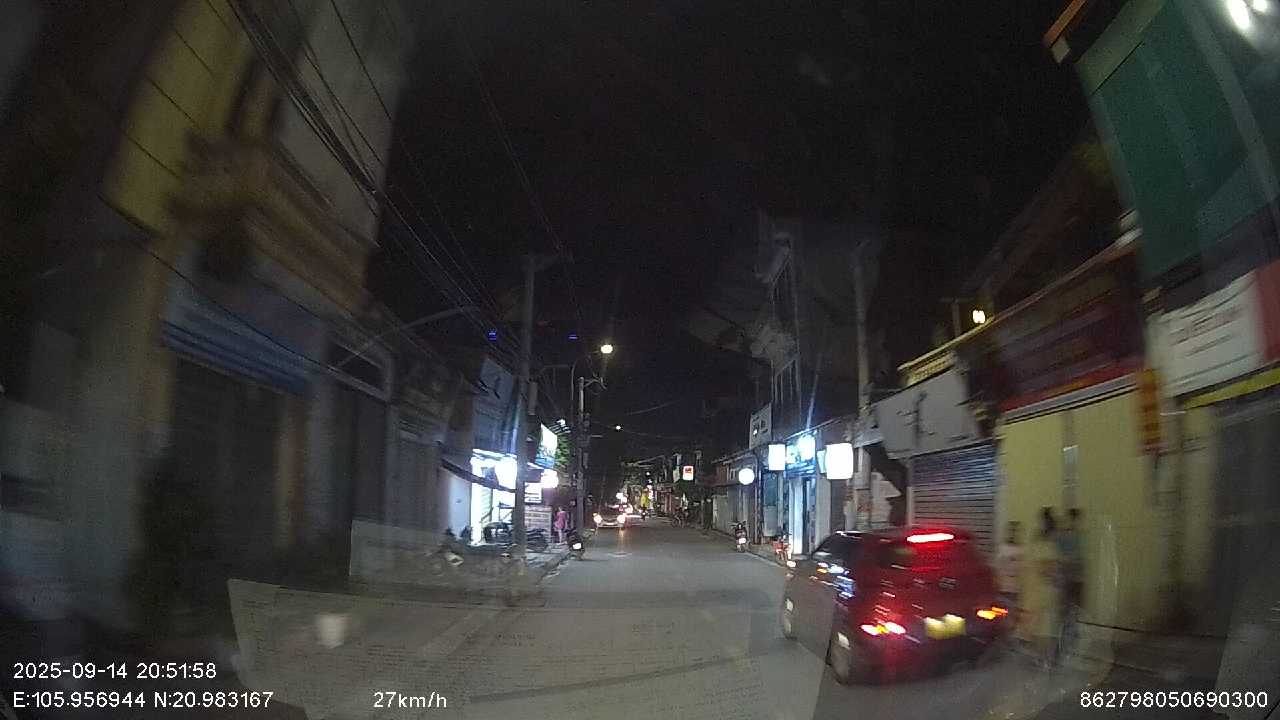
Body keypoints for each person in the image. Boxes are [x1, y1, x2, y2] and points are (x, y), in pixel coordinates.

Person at [1026, 507, 1061, 666]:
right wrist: (1055, 575)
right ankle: (1044, 657)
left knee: (1039, 624)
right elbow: (1046, 567)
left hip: (1037, 589)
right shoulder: (1047, 545)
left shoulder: (1037, 541)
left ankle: (1041, 656)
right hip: (1045, 590)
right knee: (1045, 625)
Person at [995, 520, 1024, 615]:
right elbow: (998, 567)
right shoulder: (1002, 548)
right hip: (1003, 588)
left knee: (1012, 614)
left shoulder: (1022, 550)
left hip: (1015, 589)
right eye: (1011, 530)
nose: (1013, 534)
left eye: (1016, 531)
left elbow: (1023, 569)